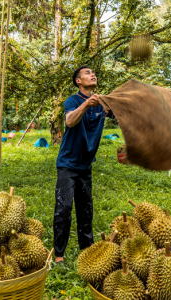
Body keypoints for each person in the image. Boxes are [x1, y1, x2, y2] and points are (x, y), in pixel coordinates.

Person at [53, 65, 113, 267]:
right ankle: (59, 256)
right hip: (68, 163)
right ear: (78, 81)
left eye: (93, 72)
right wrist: (87, 104)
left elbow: (125, 114)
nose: (92, 74)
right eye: (87, 73)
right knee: (64, 207)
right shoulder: (73, 101)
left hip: (85, 165)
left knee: (85, 208)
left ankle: (87, 249)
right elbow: (70, 121)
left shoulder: (103, 104)